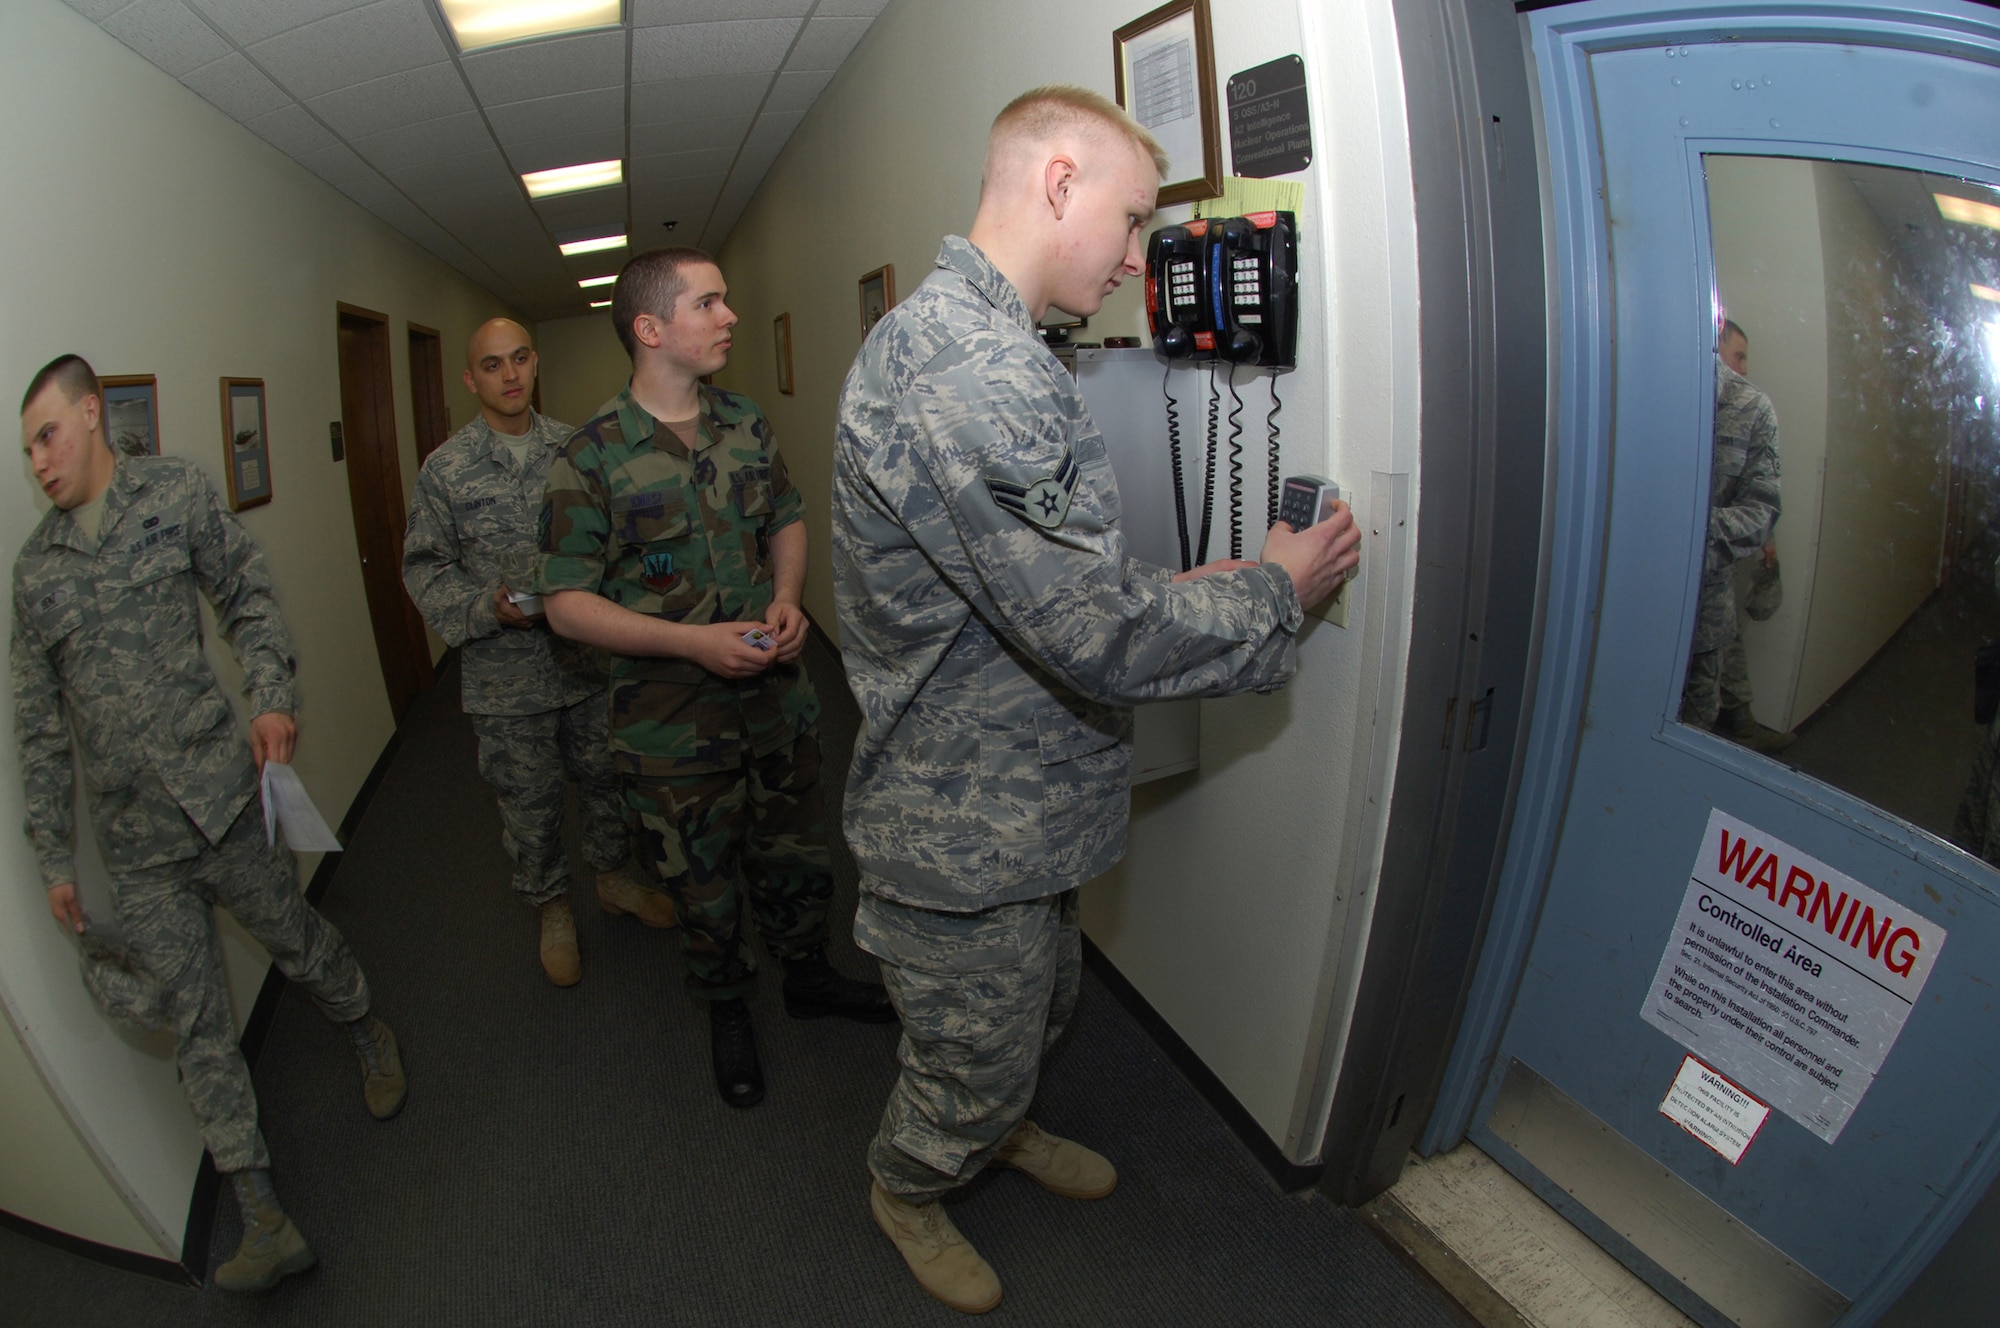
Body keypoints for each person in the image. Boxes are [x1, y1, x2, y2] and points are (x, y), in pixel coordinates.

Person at [830, 86, 1361, 1314]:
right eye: (1129, 220)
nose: (1138, 258)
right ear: (1056, 181)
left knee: (1040, 1007)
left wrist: (1172, 588)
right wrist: (1274, 592)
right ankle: (912, 1178)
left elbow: (1043, 581)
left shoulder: (994, 344)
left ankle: (996, 1124)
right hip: (959, 826)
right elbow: (1090, 635)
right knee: (967, 1052)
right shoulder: (966, 366)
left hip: (1023, 803)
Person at [13, 355, 406, 1293]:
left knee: (294, 941)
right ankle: (263, 1216)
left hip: (222, 804)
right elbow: (35, 728)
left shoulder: (174, 494)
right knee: (198, 1028)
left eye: (47, 436)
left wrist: (271, 695)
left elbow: (248, 596)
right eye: (26, 448)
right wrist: (53, 857)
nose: (36, 461)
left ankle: (365, 1028)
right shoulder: (36, 576)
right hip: (137, 849)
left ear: (93, 416)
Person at [537, 247, 892, 1109]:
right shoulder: (589, 458)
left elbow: (789, 515)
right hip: (669, 725)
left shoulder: (744, 422)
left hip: (775, 702)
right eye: (710, 304)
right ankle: (726, 1005)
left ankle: (806, 974)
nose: (730, 317)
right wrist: (692, 644)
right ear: (652, 329)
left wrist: (784, 596)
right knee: (699, 882)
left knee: (797, 853)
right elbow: (566, 604)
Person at [403, 318, 676, 987]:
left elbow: (613, 544)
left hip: (585, 664)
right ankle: (553, 907)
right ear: (472, 379)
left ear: (535, 363)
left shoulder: (574, 449)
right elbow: (425, 571)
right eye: (492, 365)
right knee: (528, 803)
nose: (510, 375)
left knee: (608, 780)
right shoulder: (446, 470)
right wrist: (483, 609)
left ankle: (612, 877)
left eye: (520, 358)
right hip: (505, 680)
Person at [1684, 320, 1791, 751]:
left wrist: (1688, 529)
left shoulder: (1750, 408)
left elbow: (1762, 512)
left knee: (1691, 733)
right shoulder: (1645, 385)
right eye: (1739, 354)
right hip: (1629, 603)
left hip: (1705, 613)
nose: (1744, 368)